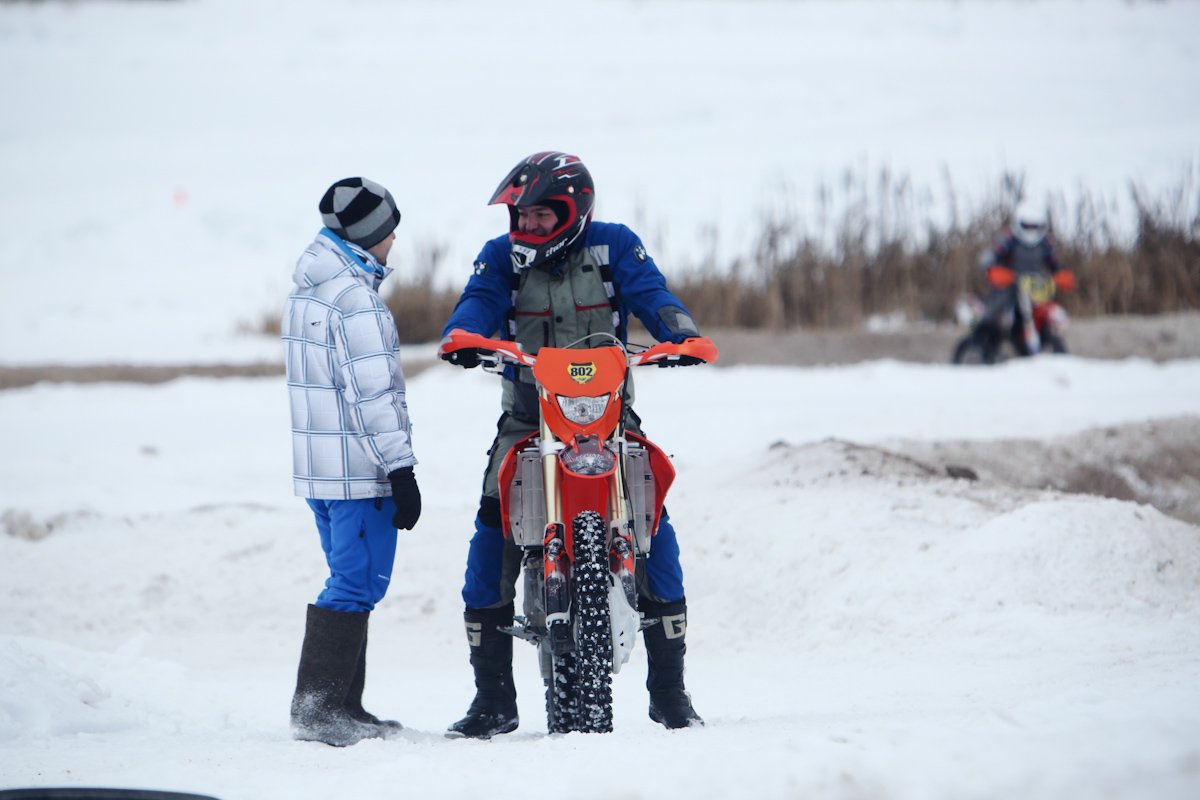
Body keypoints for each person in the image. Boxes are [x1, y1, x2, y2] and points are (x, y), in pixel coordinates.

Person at [440, 151, 705, 738]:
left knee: (654, 522)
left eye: (539, 215)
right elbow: (478, 302)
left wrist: (680, 333)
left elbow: (653, 294)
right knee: (492, 529)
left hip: (609, 416)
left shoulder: (614, 245)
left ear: (572, 210)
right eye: (521, 216)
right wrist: (463, 335)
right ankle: (492, 699)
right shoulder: (500, 256)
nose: (527, 225)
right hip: (528, 418)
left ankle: (670, 692)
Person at [282, 177, 422, 747]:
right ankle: (318, 711)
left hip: (321, 472)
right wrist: (400, 469)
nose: (393, 240)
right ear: (369, 234)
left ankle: (344, 706)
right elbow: (372, 396)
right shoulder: (356, 301)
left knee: (350, 581)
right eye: (389, 230)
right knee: (355, 584)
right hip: (360, 474)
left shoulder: (308, 293)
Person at [973, 199, 1076, 359]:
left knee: (1045, 312)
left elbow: (1056, 263)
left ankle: (1044, 346)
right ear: (1018, 223)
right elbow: (988, 259)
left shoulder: (1045, 243)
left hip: (1033, 289)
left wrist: (1063, 275)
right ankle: (985, 347)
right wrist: (995, 270)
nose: (1031, 230)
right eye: (1027, 225)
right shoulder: (1008, 238)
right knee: (1000, 316)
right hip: (1007, 289)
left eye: (1035, 226)